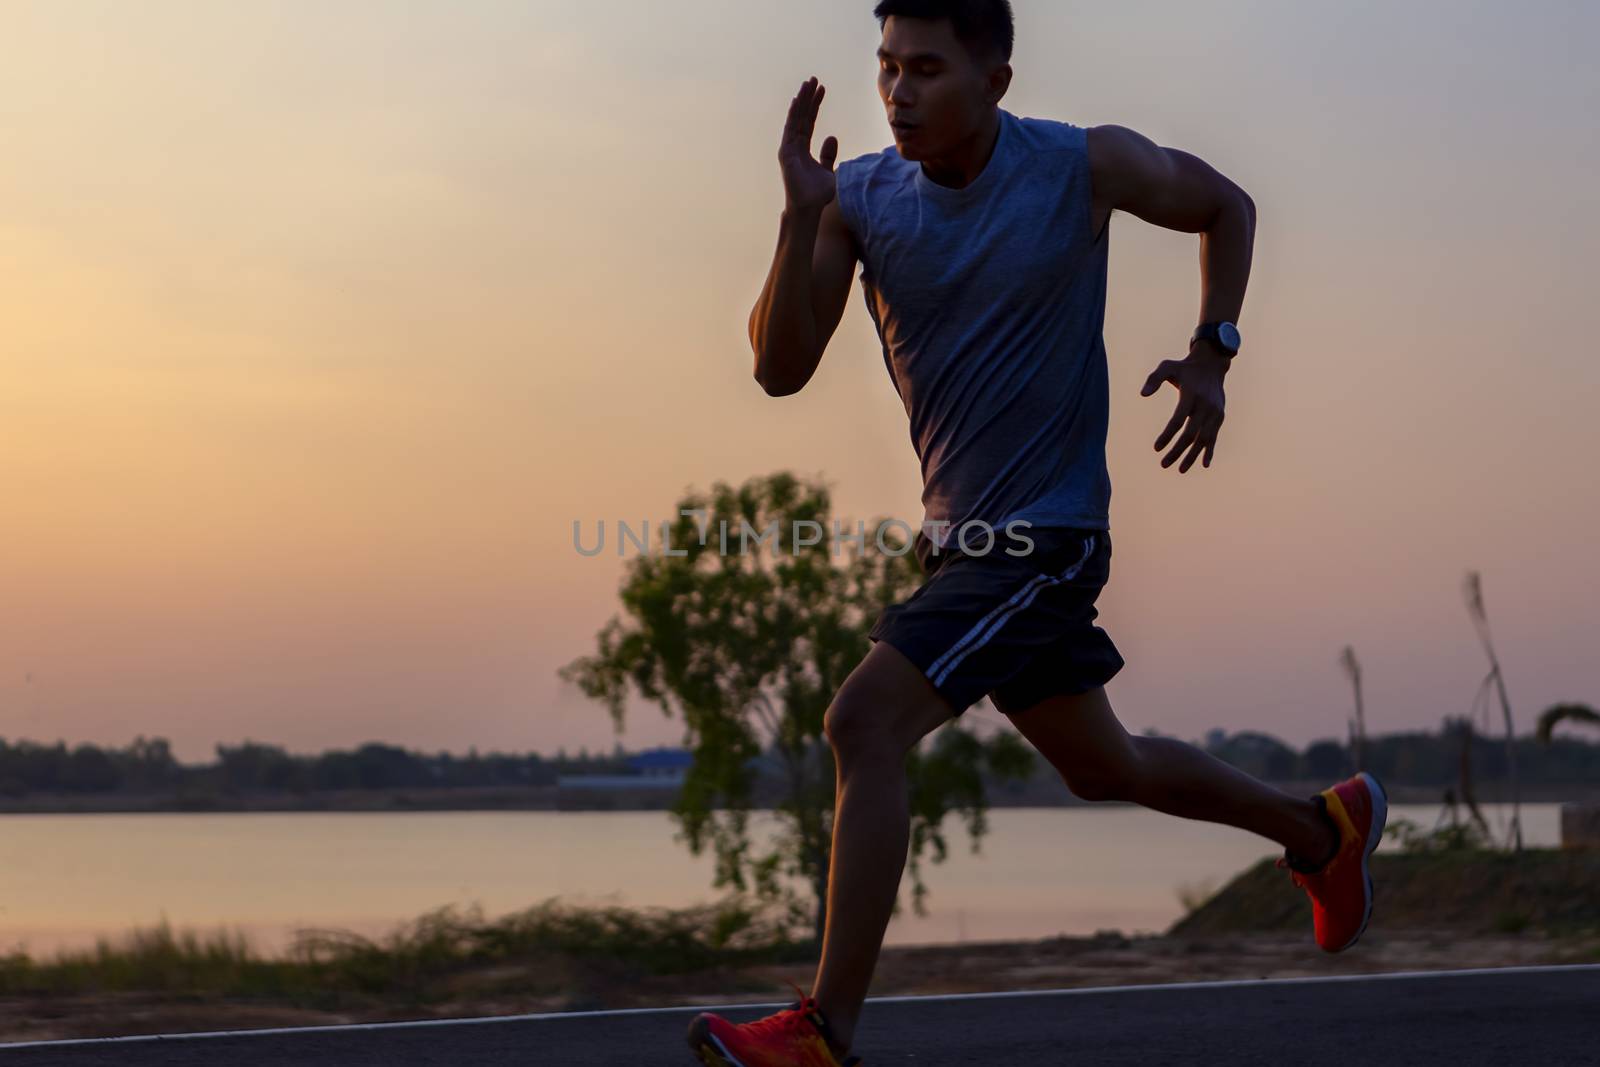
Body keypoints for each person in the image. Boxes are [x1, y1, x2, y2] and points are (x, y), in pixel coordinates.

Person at [687, 2, 1386, 1064]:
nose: (898, 93)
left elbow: (1226, 204)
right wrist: (795, 219)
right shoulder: (858, 201)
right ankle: (1317, 829)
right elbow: (779, 368)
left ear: (994, 81)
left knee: (863, 722)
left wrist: (1214, 352)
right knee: (1102, 766)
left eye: (926, 68)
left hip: (1044, 536)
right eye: (886, 68)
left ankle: (823, 1031)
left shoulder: (1079, 167)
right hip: (959, 543)